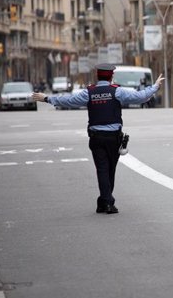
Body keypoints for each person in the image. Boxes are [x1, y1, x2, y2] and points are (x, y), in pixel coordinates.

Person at [32, 64, 165, 214]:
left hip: (96, 138)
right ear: (111, 76)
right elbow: (140, 97)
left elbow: (68, 100)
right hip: (113, 139)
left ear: (98, 76)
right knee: (110, 170)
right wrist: (155, 86)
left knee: (102, 169)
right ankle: (108, 202)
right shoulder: (117, 91)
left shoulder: (89, 92)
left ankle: (104, 201)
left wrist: (47, 98)